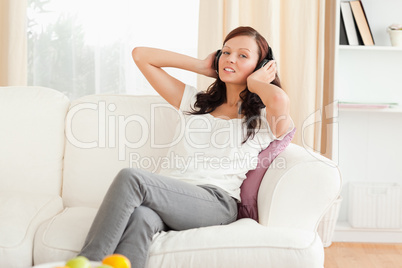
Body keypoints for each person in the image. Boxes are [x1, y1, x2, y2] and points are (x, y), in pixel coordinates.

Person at [78, 26, 293, 268]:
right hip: (170, 197)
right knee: (141, 217)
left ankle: (86, 263)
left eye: (243, 55)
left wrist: (255, 82)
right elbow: (141, 56)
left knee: (132, 178)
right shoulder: (196, 102)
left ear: (262, 66)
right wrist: (201, 66)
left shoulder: (263, 117)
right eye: (225, 52)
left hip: (216, 202)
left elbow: (279, 99)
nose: (230, 58)